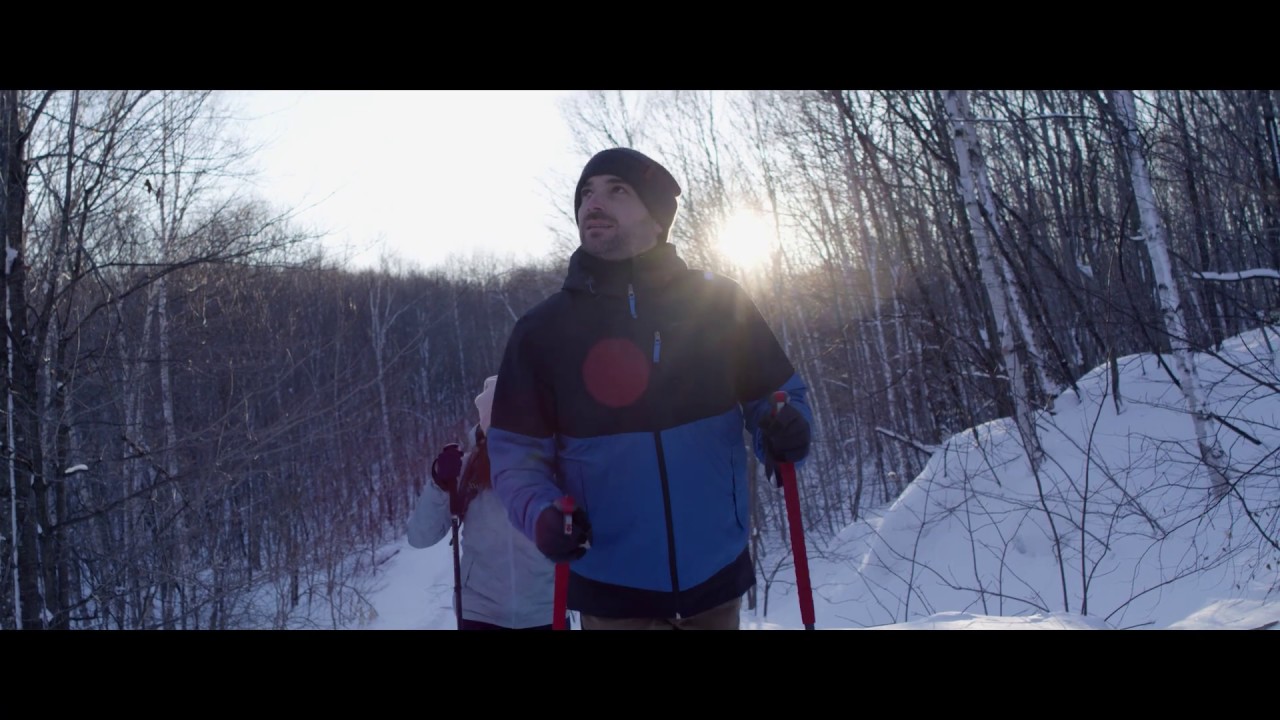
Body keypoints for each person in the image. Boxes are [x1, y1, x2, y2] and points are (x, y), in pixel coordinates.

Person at [487, 147, 813, 630]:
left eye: (616, 190)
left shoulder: (719, 303)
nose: (593, 203)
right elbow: (515, 455)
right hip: (611, 595)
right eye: (586, 194)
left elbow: (781, 398)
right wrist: (541, 512)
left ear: (658, 216)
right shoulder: (543, 331)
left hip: (717, 582)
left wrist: (787, 431)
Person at [407, 375, 558, 630]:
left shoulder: (555, 469)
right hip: (481, 614)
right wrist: (440, 485)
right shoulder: (466, 470)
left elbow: (586, 537)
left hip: (545, 612)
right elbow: (420, 537)